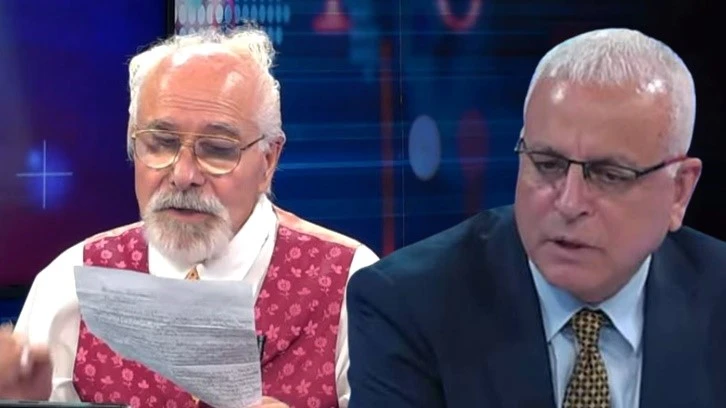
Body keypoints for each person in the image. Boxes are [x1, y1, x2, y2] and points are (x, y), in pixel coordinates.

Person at [346, 28, 726, 408]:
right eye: (548, 164)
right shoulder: (408, 305)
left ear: (679, 190)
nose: (569, 203)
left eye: (610, 175)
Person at [1, 26, 378, 408]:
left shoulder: (351, 284)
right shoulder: (69, 284)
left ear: (268, 161)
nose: (183, 175)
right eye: (161, 143)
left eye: (217, 149)